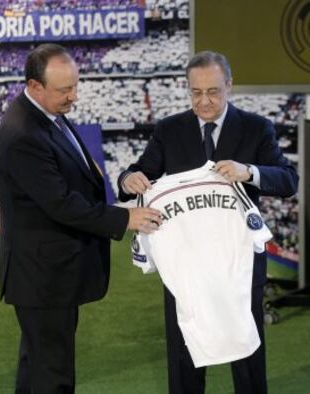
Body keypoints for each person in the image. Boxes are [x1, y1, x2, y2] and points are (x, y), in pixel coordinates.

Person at [117, 50, 298, 394]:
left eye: (213, 91)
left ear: (229, 85)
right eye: (195, 93)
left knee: (247, 358)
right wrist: (128, 180)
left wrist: (249, 172)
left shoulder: (257, 128)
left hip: (239, 263)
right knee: (184, 357)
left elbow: (289, 181)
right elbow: (140, 172)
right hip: (185, 264)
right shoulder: (169, 130)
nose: (204, 101)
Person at [0, 43, 161, 394]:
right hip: (43, 277)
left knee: (38, 367)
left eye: (75, 85)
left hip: (47, 273)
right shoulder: (25, 132)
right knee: (53, 375)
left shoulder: (44, 114)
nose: (74, 96)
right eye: (64, 89)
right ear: (35, 86)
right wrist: (123, 218)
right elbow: (60, 204)